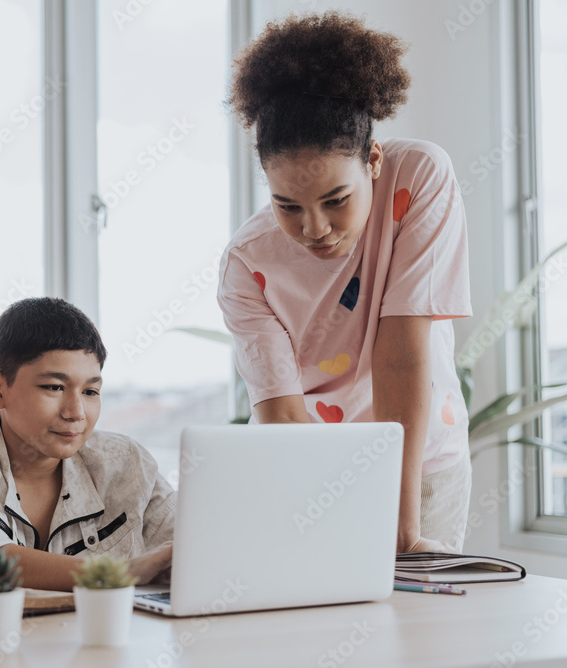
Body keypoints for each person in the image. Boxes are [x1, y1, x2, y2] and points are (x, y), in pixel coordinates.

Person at [217, 12, 472, 552]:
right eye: (288, 205)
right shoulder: (245, 263)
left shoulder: (418, 177)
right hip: (312, 470)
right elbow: (282, 412)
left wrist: (402, 524)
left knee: (420, 607)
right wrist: (317, 515)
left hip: (423, 466)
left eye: (336, 200)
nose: (314, 228)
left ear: (373, 160)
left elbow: (401, 350)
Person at [0, 297, 174, 591]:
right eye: (54, 387)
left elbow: (189, 542)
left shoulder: (127, 462)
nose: (76, 413)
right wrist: (116, 573)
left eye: (90, 391)